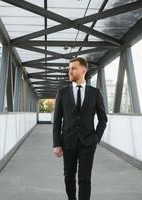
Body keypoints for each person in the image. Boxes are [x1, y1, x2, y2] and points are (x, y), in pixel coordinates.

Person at [52, 57, 107, 200]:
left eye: (73, 68)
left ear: (84, 70)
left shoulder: (95, 93)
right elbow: (57, 120)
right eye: (69, 68)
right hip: (68, 142)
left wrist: (96, 139)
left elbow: (103, 119)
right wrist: (57, 144)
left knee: (84, 178)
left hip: (88, 143)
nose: (69, 71)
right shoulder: (62, 92)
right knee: (68, 177)